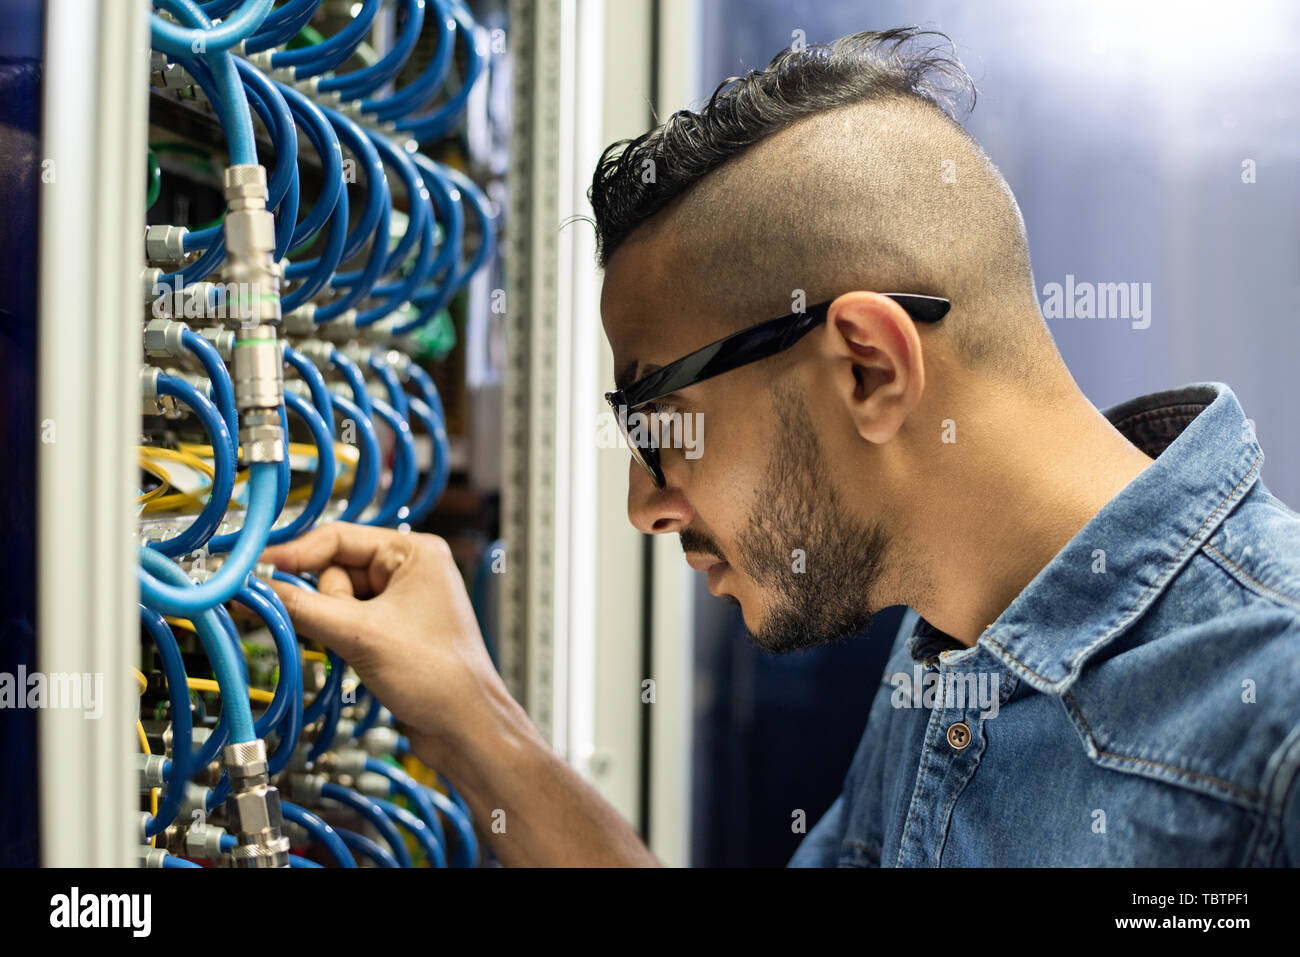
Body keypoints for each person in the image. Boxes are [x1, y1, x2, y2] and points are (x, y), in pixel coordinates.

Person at [263, 29, 1300, 867]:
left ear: (867, 369)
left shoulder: (1274, 716)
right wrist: (469, 719)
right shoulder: (951, 651)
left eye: (656, 423)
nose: (645, 504)